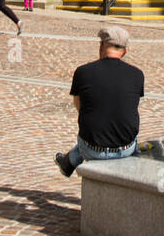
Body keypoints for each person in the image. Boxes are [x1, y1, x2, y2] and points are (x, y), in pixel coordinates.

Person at [54, 25, 144, 176]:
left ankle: (68, 161)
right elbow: (128, 106)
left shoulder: (83, 72)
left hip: (92, 149)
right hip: (124, 149)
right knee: (121, 127)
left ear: (101, 46)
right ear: (125, 51)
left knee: (93, 129)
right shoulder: (137, 75)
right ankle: (68, 161)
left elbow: (80, 106)